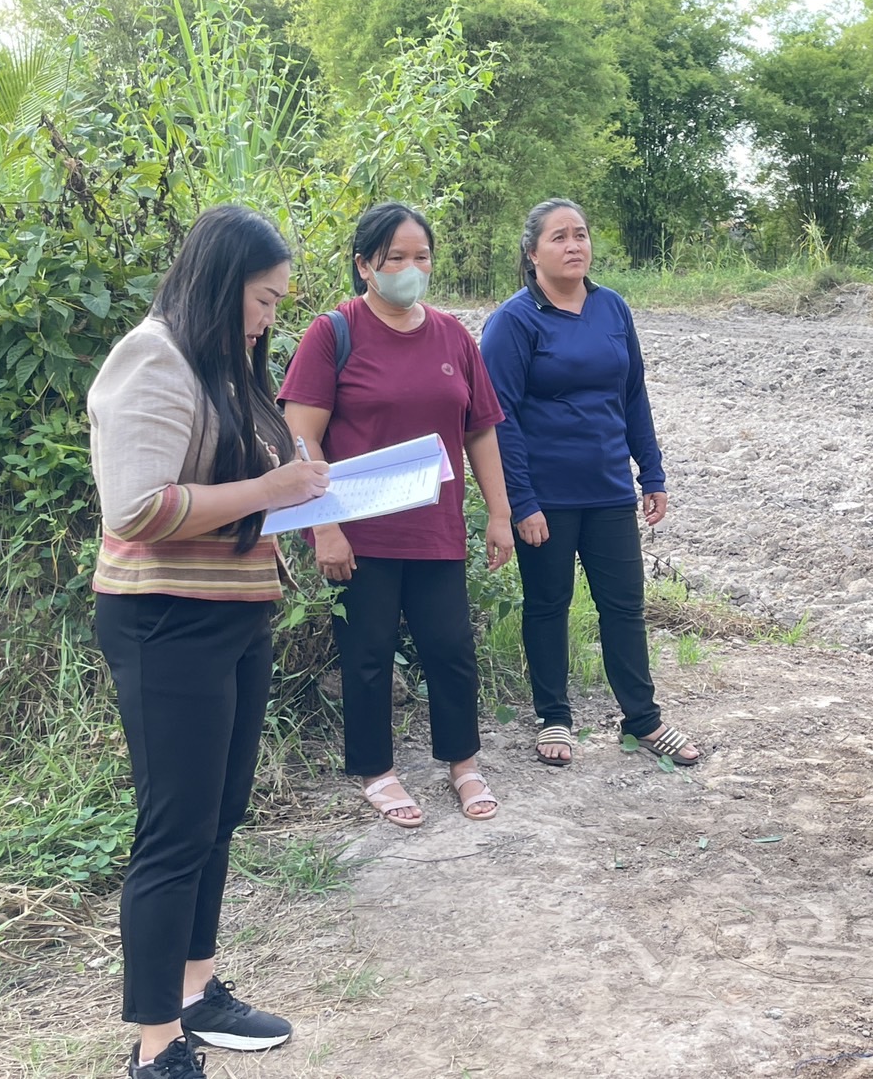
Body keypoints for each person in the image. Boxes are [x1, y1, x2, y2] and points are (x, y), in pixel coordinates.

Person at [90, 205, 330, 1079]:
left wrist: (302, 489)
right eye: (264, 300)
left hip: (235, 613)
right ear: (224, 283)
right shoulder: (152, 357)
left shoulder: (226, 366)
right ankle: (155, 1045)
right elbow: (138, 508)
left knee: (218, 815)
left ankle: (197, 990)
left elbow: (244, 490)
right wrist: (273, 483)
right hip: (167, 621)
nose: (270, 319)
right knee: (174, 828)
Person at [280, 202, 512, 828]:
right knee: (368, 654)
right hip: (359, 534)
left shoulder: (453, 336)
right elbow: (302, 435)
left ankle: (462, 764)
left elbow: (481, 431)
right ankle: (376, 772)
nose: (412, 269)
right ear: (364, 266)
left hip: (435, 528)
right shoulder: (334, 333)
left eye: (422, 257)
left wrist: (498, 511)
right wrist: (322, 525)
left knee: (451, 649)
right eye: (396, 259)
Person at [479, 198, 700, 768]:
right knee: (547, 605)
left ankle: (644, 719)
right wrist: (519, 501)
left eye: (580, 235)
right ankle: (554, 716)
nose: (574, 245)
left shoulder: (612, 309)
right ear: (532, 253)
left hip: (607, 489)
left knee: (624, 607)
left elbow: (632, 395)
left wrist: (651, 471)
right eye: (559, 237)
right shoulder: (515, 321)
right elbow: (496, 417)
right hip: (545, 497)